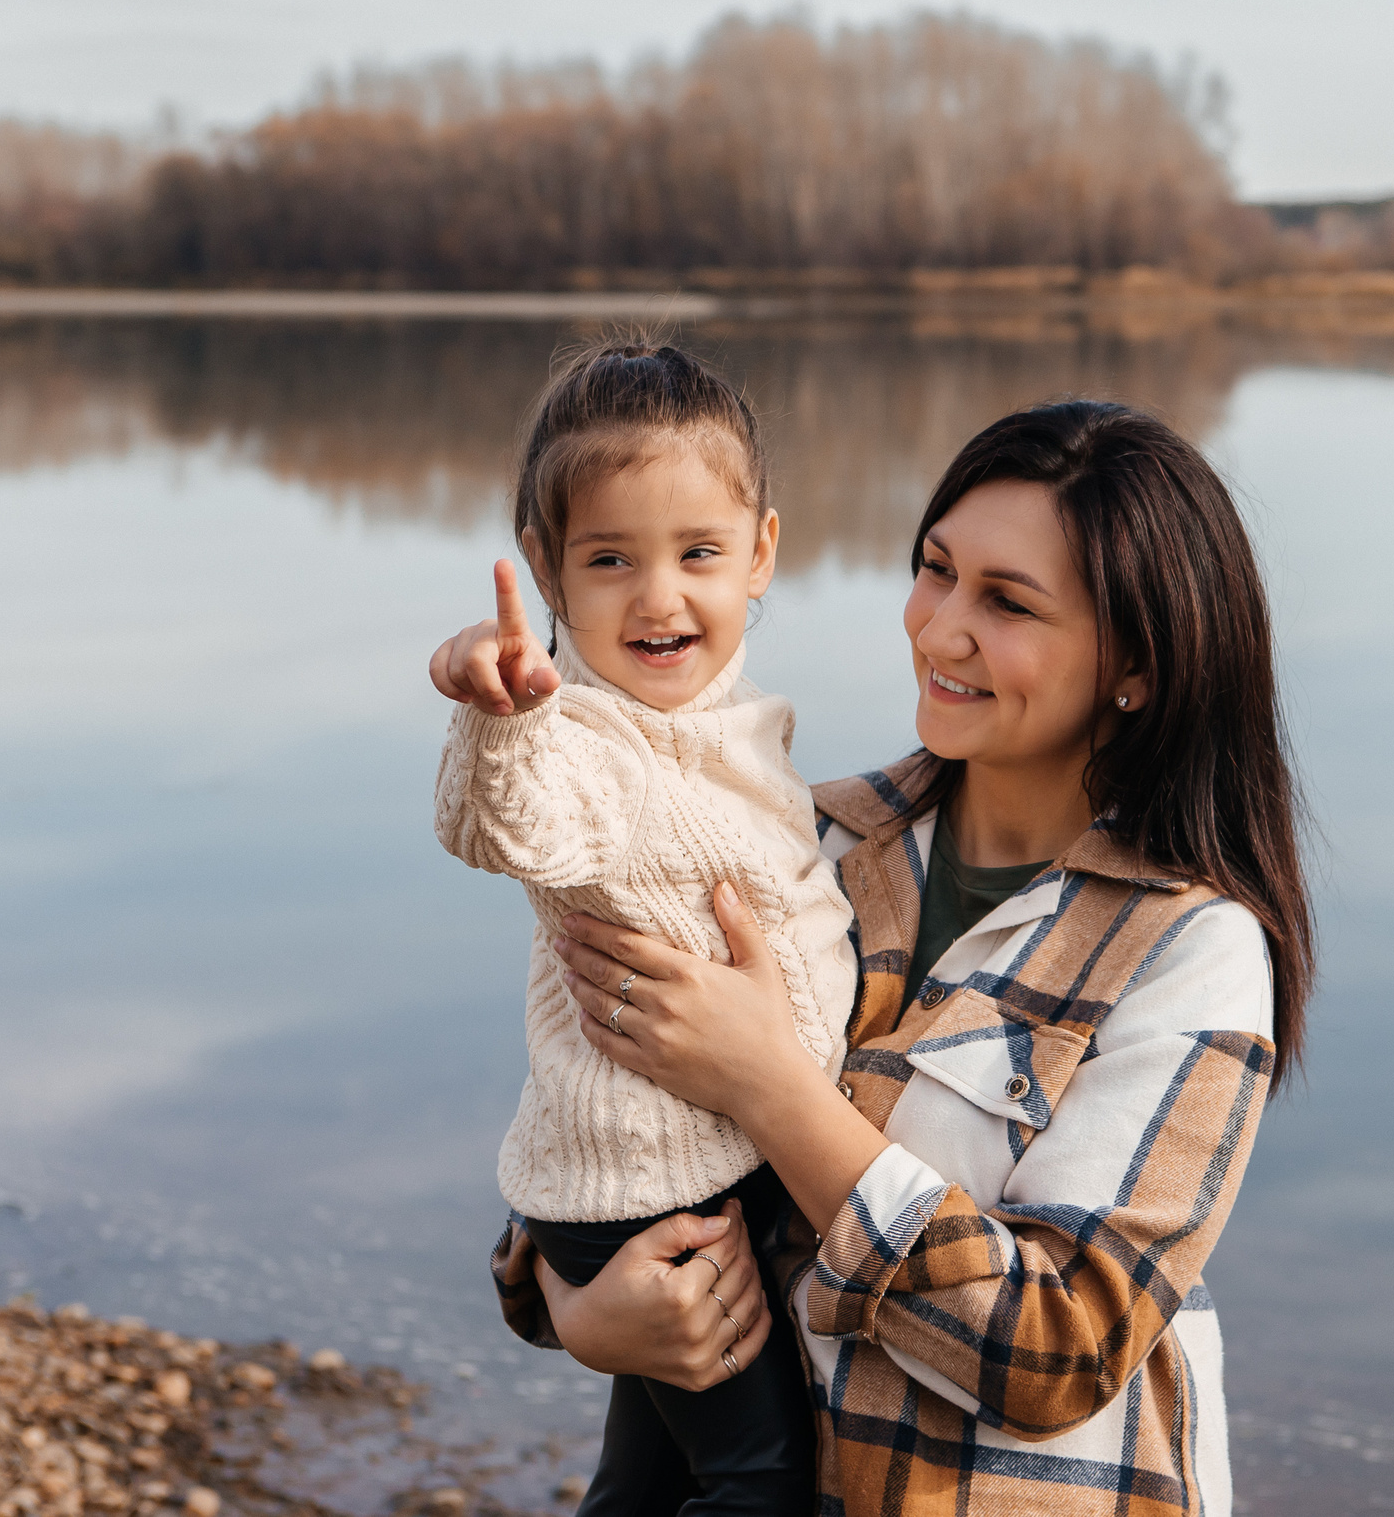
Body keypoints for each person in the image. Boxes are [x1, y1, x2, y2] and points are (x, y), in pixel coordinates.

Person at [508, 399, 1314, 1516]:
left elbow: (1061, 1348)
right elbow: (598, 1127)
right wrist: (571, 1304)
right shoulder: (804, 842)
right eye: (935, 571)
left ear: (1134, 661)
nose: (940, 631)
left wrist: (769, 1086)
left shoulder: (1189, 950)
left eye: (1007, 603)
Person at [428, 340, 851, 1516]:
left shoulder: (736, 723)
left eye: (698, 554)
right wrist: (505, 713)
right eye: (610, 560)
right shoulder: (589, 741)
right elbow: (515, 827)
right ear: (547, 572)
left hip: (688, 1172)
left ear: (761, 551)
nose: (659, 598)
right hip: (642, 1194)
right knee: (760, 1483)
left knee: (650, 1475)